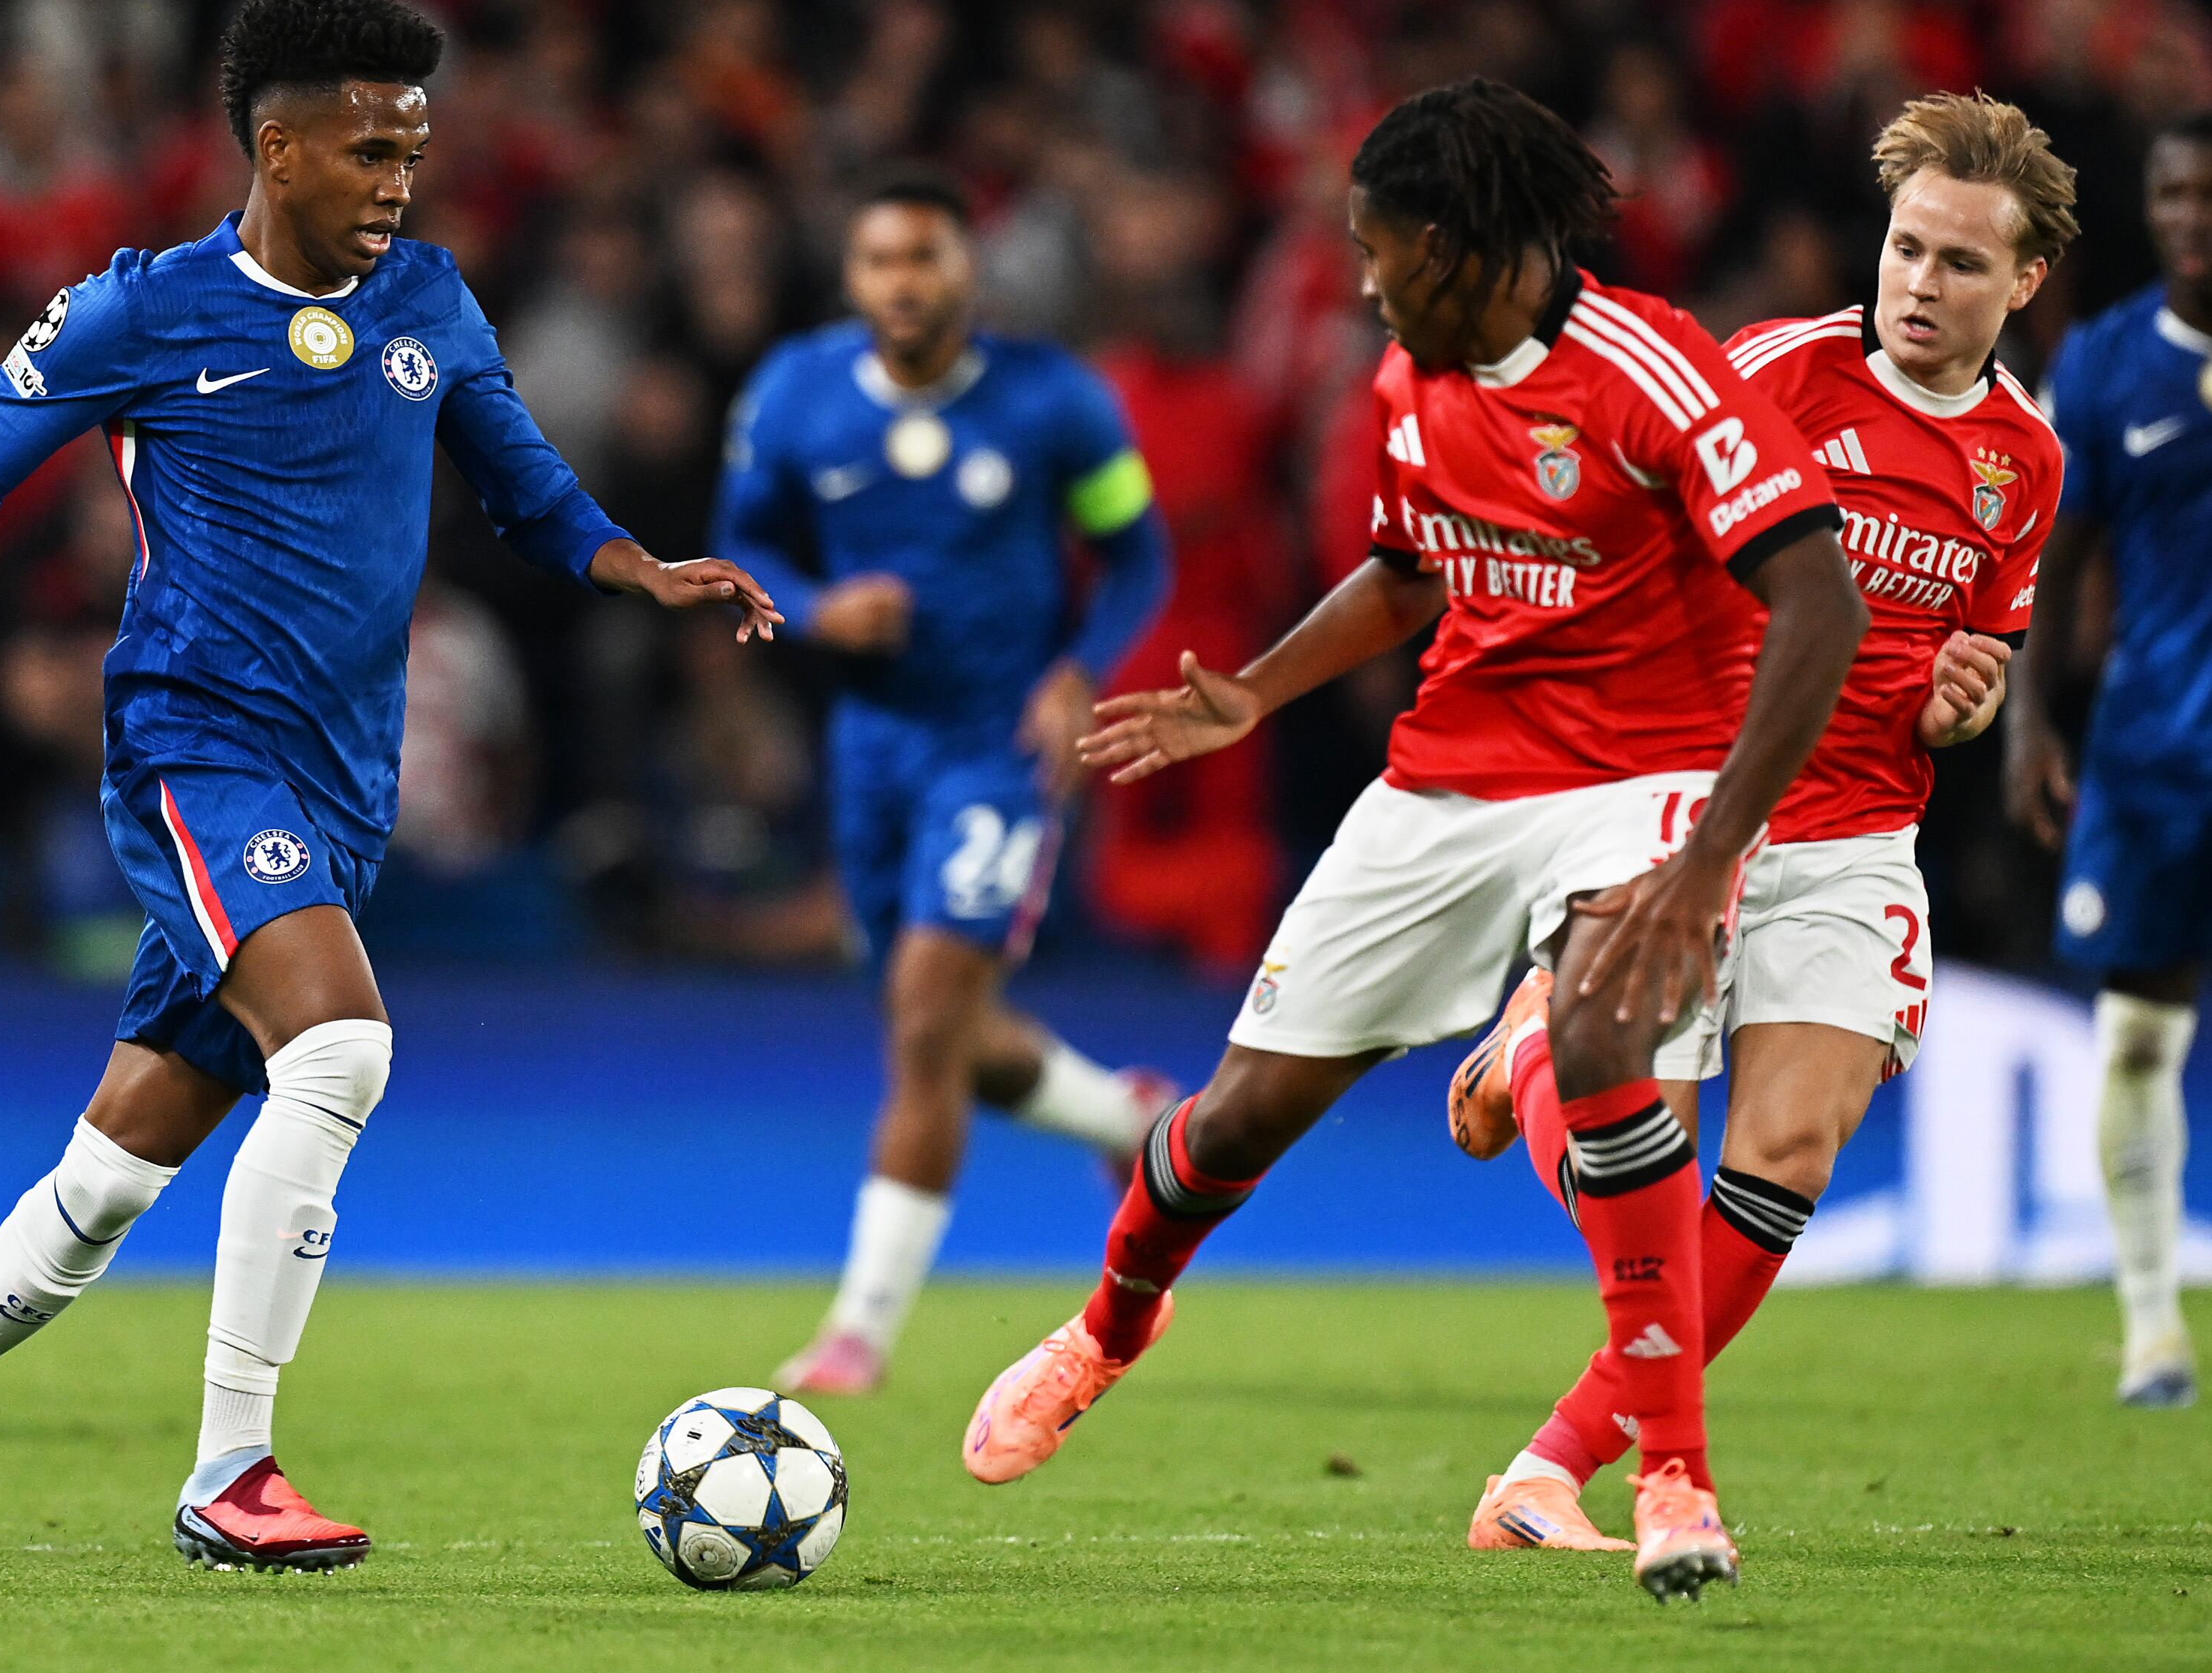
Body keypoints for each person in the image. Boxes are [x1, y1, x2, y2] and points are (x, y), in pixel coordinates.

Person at [0, 0, 780, 1583]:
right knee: (342, 1045)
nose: (399, 179)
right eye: (369, 148)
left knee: (109, 1181)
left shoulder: (431, 304)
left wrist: (635, 566)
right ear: (276, 146)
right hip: (195, 751)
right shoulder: (145, 310)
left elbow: (527, 493)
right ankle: (231, 1468)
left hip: (337, 788)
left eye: (415, 148)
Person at [960, 78, 1867, 1605]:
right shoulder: (1407, 382)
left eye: (1380, 255)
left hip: (1646, 767)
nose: (1367, 287)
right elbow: (1402, 571)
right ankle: (1109, 1326)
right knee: (1237, 1121)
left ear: (1457, 245)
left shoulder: (1656, 370)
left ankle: (1669, 1476)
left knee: (1605, 1037)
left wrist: (1714, 849)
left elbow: (1820, 602)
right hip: (1448, 781)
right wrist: (1248, 693)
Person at [1455, 91, 2073, 1551]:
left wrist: (1962, 707)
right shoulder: (1770, 381)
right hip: (1689, 813)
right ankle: (1541, 1046)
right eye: (1906, 248)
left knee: (1791, 1149)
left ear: (2024, 281)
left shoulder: (2024, 464)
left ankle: (1544, 1472)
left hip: (1856, 831)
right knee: (1643, 1180)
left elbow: (1969, 663)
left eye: (1960, 263)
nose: (1921, 283)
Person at [714, 170, 1177, 1396]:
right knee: (945, 1028)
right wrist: (813, 607)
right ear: (853, 277)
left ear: (965, 269)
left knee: (925, 1014)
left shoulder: (1053, 402)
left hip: (997, 746)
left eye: (925, 258)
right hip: (871, 747)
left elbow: (1136, 554)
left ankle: (856, 1332)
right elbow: (745, 536)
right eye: (880, 262)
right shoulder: (797, 394)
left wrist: (1080, 671)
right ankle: (1132, 1124)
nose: (904, 283)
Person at [2008, 111, 2212, 1409]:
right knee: (2137, 1038)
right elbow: (2051, 559)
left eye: (2208, 192)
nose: (2190, 214)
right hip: (2150, 758)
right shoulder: (2100, 363)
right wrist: (2030, 724)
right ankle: (2150, 1328)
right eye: (2172, 191)